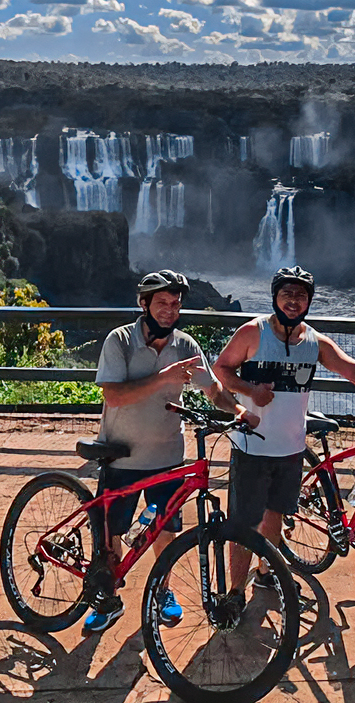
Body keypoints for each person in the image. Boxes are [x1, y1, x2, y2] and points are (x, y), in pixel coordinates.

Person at [213, 265, 355, 611]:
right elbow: (221, 370)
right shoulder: (253, 333)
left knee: (274, 514)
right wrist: (250, 390)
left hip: (291, 447)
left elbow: (351, 368)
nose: (293, 301)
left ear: (309, 302)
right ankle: (235, 592)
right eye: (287, 294)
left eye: (301, 295)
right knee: (244, 524)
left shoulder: (314, 342)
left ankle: (266, 573)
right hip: (251, 444)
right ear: (275, 298)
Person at [85, 269, 258, 635]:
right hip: (121, 455)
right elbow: (113, 396)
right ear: (144, 304)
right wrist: (165, 377)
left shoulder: (185, 346)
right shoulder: (120, 341)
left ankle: (163, 591)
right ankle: (108, 598)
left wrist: (238, 409)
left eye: (176, 304)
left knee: (165, 531)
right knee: (114, 533)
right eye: (162, 302)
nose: (169, 310)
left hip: (167, 458)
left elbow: (212, 388)